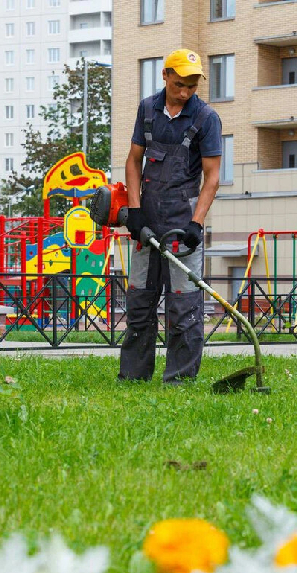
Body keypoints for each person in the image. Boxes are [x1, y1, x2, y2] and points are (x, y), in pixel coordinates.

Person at [119, 49, 222, 384]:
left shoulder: (206, 118)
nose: (185, 92)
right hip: (147, 220)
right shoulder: (147, 109)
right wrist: (134, 211)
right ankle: (133, 377)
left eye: (192, 86)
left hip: (182, 222)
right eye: (179, 84)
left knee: (184, 307)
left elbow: (213, 176)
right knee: (139, 300)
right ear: (165, 76)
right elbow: (134, 161)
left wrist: (197, 223)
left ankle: (179, 380)